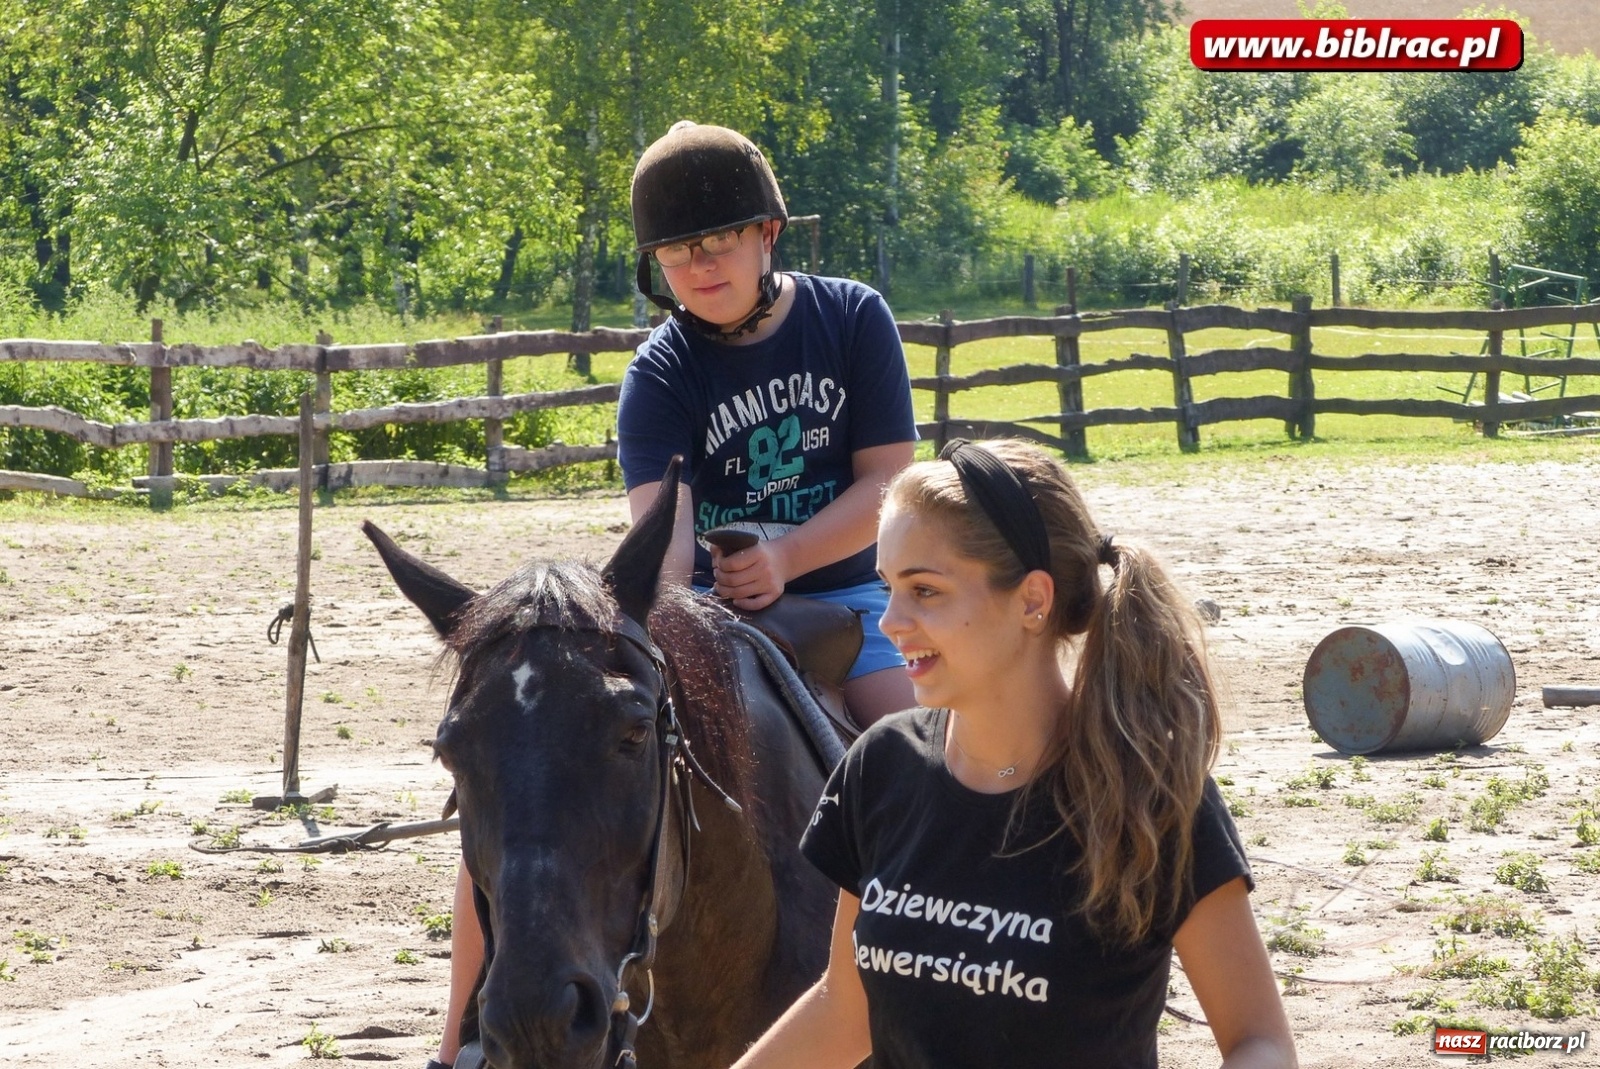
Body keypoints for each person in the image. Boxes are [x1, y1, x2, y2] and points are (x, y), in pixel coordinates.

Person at [426, 121, 918, 1069]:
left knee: (927, 768)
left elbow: (888, 486)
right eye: (676, 250)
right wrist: (700, 587)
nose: (698, 264)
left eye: (718, 241)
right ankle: (466, 1037)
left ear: (769, 236)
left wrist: (784, 552)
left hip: (861, 601)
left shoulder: (853, 318)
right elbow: (666, 537)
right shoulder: (660, 374)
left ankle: (944, 995)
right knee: (525, 794)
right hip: (712, 617)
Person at [728, 438, 1298, 1069]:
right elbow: (845, 1008)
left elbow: (1259, 1040)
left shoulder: (1149, 793)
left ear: (1032, 600)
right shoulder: (880, 766)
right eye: (887, 586)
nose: (889, 621)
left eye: (926, 591)